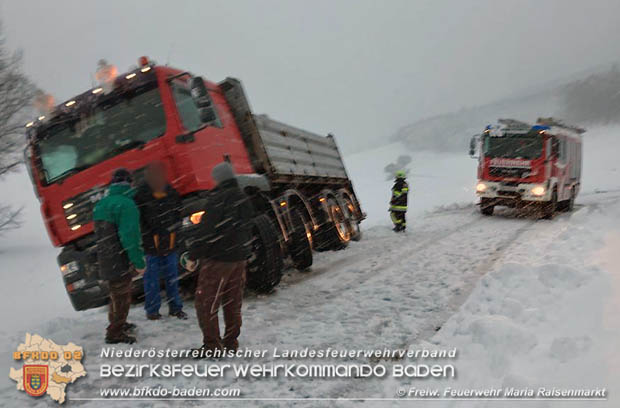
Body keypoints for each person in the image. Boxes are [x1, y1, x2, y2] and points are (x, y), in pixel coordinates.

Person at [185, 162, 255, 352]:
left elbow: (206, 231)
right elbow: (248, 226)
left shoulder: (217, 199)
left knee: (206, 302)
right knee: (233, 303)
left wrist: (193, 256)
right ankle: (231, 342)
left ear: (217, 178)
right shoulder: (243, 197)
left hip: (218, 258)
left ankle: (212, 346)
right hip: (239, 258)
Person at [93, 168, 146, 344]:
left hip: (106, 257)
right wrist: (138, 261)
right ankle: (115, 333)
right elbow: (129, 235)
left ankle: (117, 324)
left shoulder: (102, 204)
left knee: (115, 295)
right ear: (129, 183)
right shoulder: (126, 204)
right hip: (119, 257)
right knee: (122, 296)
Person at [134, 162, 187, 320]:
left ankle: (175, 308)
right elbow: (140, 222)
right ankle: (152, 311)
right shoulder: (141, 196)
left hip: (169, 243)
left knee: (172, 279)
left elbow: (178, 213)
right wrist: (149, 235)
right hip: (152, 247)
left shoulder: (170, 192)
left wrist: (175, 231)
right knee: (152, 281)